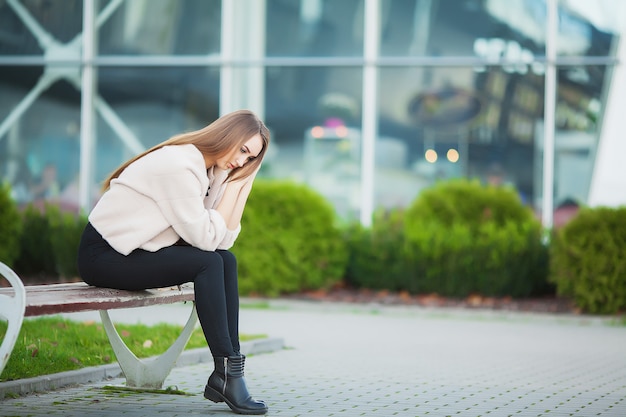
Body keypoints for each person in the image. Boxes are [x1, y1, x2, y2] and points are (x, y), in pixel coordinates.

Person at [77, 109, 270, 415]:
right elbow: (206, 240)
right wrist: (234, 185)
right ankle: (227, 374)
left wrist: (239, 184)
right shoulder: (181, 165)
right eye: (243, 151)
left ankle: (230, 371)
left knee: (225, 260)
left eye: (250, 160)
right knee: (208, 264)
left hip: (137, 251)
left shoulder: (211, 171)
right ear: (227, 135)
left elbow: (222, 241)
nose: (242, 162)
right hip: (105, 254)